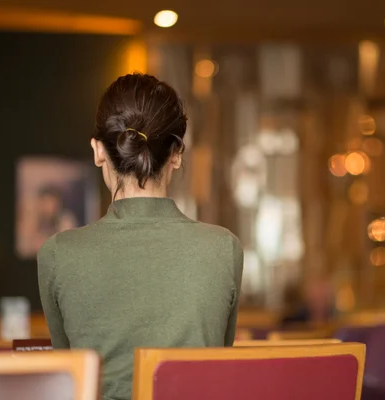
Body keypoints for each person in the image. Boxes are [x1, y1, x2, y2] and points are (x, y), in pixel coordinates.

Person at [38, 73, 243, 400]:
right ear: (176, 153)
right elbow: (217, 361)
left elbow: (73, 375)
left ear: (98, 151)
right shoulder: (223, 249)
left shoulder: (57, 254)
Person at [32, 186, 77, 253]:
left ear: (57, 203)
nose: (46, 206)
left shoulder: (66, 219)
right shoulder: (38, 220)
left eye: (50, 202)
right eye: (44, 202)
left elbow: (65, 246)